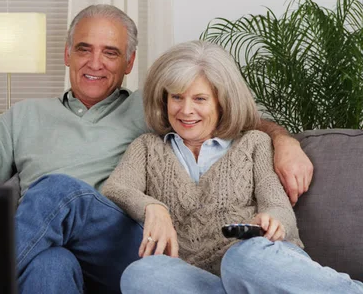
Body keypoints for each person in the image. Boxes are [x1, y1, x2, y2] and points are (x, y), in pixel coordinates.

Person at [0, 4, 313, 293]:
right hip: (48, 240)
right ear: (67, 54)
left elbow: (231, 116)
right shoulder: (25, 116)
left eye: (110, 53)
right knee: (49, 263)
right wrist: (14, 218)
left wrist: (284, 140)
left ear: (130, 61)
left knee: (57, 190)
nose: (94, 63)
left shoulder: (152, 109)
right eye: (84, 49)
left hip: (132, 245)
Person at [101, 40, 363, 294]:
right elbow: (114, 189)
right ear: (164, 99)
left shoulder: (253, 143)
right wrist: (152, 207)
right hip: (194, 278)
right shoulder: (147, 147)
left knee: (242, 258)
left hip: (258, 266)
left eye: (200, 99)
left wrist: (272, 222)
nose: (186, 110)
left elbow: (279, 207)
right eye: (177, 97)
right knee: (142, 274)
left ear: (221, 102)